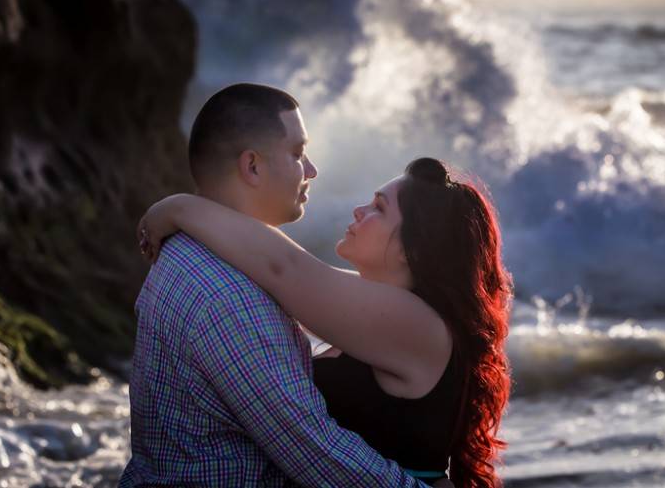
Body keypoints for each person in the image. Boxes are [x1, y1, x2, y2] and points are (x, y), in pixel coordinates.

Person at [120, 83, 436, 487]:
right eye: (298, 153)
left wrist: (178, 206)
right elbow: (316, 454)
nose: (312, 171)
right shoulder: (228, 294)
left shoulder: (195, 251)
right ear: (252, 167)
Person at [139, 151, 513, 483]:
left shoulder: (418, 322)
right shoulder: (392, 310)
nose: (358, 211)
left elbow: (285, 268)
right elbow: (280, 267)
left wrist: (178, 209)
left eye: (378, 208)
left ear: (412, 248)